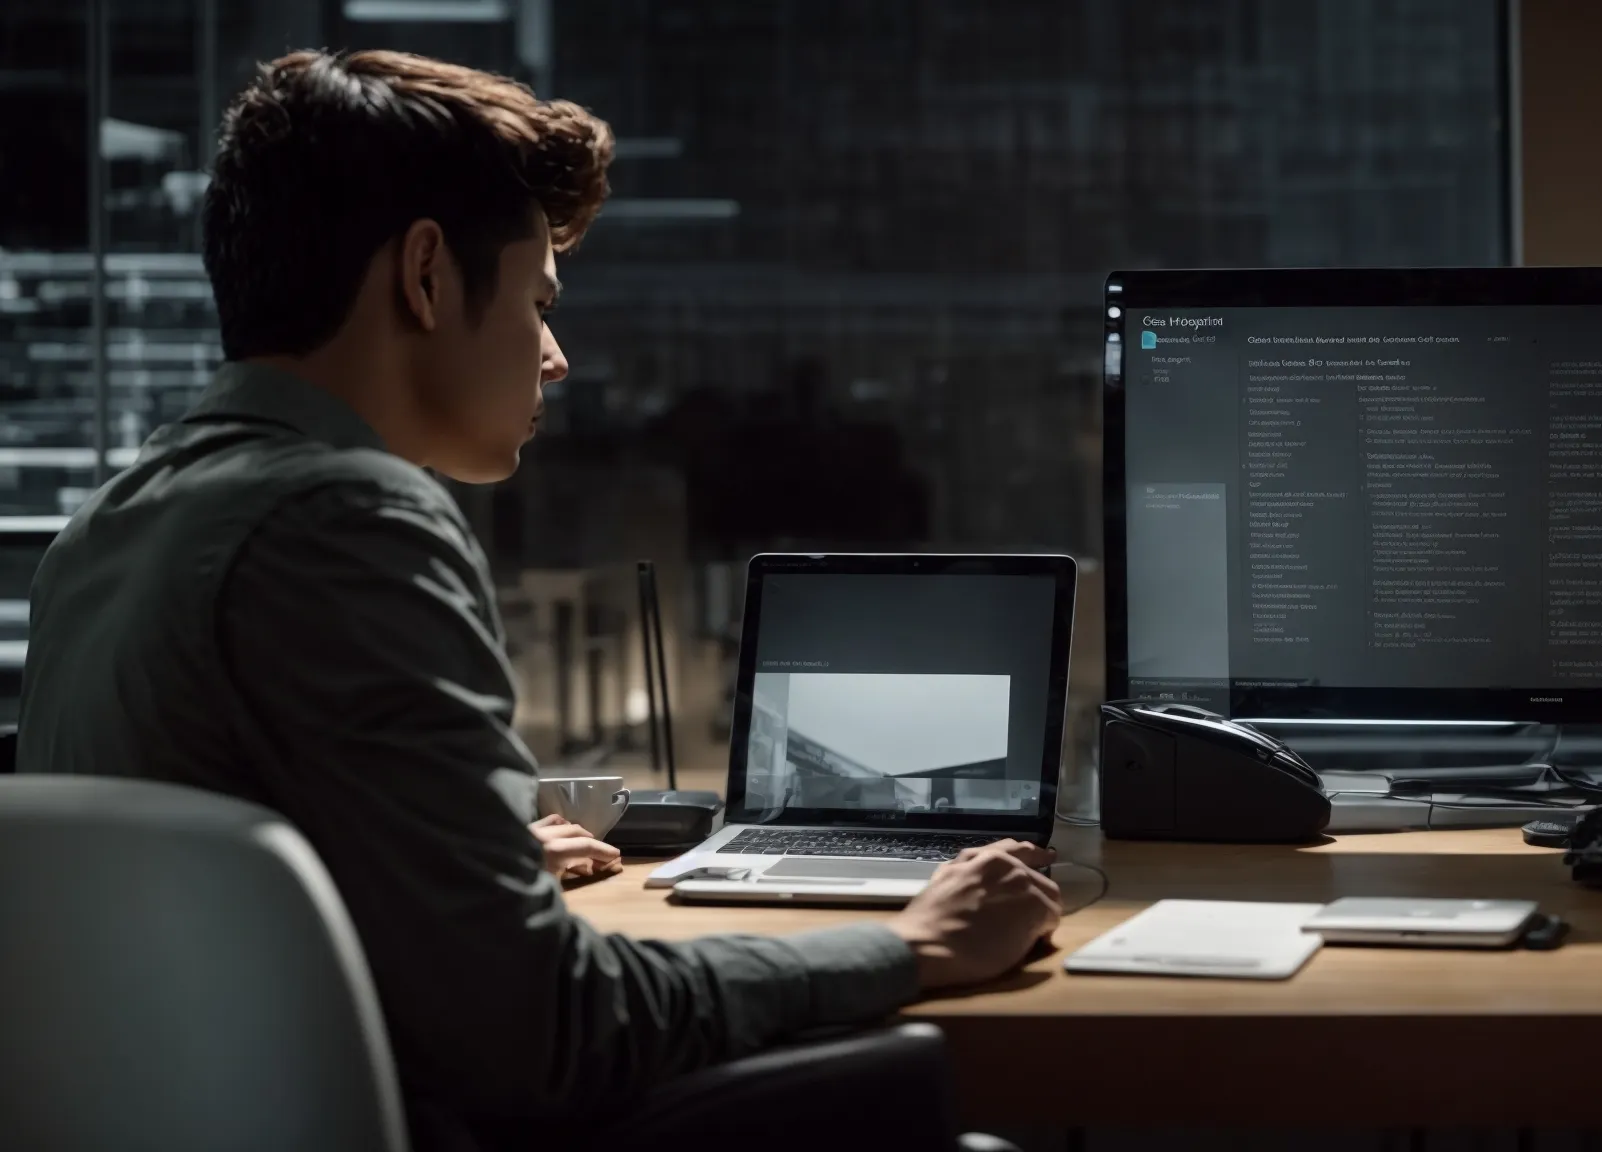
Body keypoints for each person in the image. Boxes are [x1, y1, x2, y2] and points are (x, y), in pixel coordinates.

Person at [17, 49, 1061, 1149]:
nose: (554, 358)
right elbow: (554, 1030)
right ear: (425, 278)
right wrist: (913, 945)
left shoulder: (107, 530)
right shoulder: (347, 519)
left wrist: (464, 863)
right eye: (535, 298)